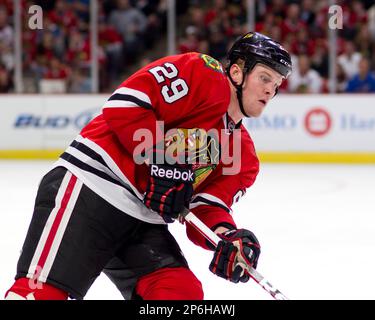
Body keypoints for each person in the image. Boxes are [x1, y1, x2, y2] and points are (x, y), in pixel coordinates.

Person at [5, 32, 292, 300]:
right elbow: (125, 105)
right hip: (93, 188)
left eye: (276, 85)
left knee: (179, 292)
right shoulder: (203, 74)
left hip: (142, 220)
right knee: (41, 293)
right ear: (237, 72)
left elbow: (206, 207)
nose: (270, 91)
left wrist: (227, 237)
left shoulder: (244, 156)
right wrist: (162, 160)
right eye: (265, 78)